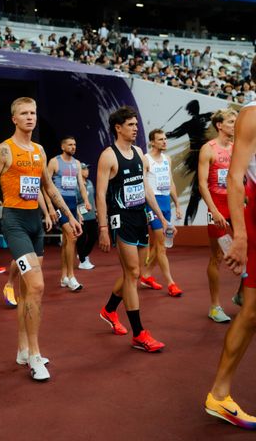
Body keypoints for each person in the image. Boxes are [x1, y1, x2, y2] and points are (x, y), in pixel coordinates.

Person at [0, 97, 81, 382]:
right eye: (24, 113)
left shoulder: (40, 151)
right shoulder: (4, 150)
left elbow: (49, 188)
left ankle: (22, 349)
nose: (30, 117)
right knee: (38, 285)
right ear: (14, 119)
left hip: (35, 224)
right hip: (14, 222)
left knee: (27, 293)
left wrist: (69, 217)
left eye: (33, 112)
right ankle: (34, 355)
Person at [97, 105, 172, 351]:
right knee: (131, 272)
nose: (135, 128)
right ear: (118, 128)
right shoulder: (108, 156)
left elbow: (145, 188)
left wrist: (161, 217)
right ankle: (139, 334)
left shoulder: (139, 152)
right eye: (131, 124)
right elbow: (100, 194)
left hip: (140, 217)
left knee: (136, 273)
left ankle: (109, 310)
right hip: (122, 219)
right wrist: (103, 227)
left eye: (136, 124)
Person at [205, 68, 256, 429]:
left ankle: (219, 395)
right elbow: (235, 177)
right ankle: (219, 396)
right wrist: (239, 235)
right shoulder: (253, 114)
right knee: (252, 311)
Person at [198, 109, 238, 323]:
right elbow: (202, 184)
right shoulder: (208, 149)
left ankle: (241, 293)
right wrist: (213, 210)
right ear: (219, 125)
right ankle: (215, 307)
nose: (235, 125)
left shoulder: (236, 148)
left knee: (248, 247)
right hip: (217, 207)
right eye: (231, 121)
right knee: (218, 257)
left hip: (236, 206)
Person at [140, 129, 183, 297]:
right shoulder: (146, 159)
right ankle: (171, 283)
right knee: (161, 245)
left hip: (166, 203)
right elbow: (144, 184)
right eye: (160, 139)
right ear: (152, 142)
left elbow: (170, 182)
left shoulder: (167, 159)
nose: (165, 142)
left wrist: (177, 204)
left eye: (165, 139)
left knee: (160, 245)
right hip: (153, 205)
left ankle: (146, 275)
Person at [47, 136, 91, 291]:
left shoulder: (77, 164)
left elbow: (81, 184)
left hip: (72, 202)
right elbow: (45, 185)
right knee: (72, 236)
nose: (73, 147)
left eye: (75, 144)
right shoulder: (54, 162)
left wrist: (85, 201)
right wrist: (50, 208)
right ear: (62, 146)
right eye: (70, 144)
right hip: (59, 202)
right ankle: (72, 277)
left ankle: (64, 277)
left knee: (67, 241)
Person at [76, 163, 97, 270]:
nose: (87, 171)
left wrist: (96, 210)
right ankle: (83, 261)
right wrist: (78, 215)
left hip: (92, 215)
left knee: (94, 236)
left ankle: (82, 254)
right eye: (84, 169)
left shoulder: (89, 182)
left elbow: (92, 198)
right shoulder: (76, 185)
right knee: (82, 238)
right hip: (81, 217)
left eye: (87, 169)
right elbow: (73, 201)